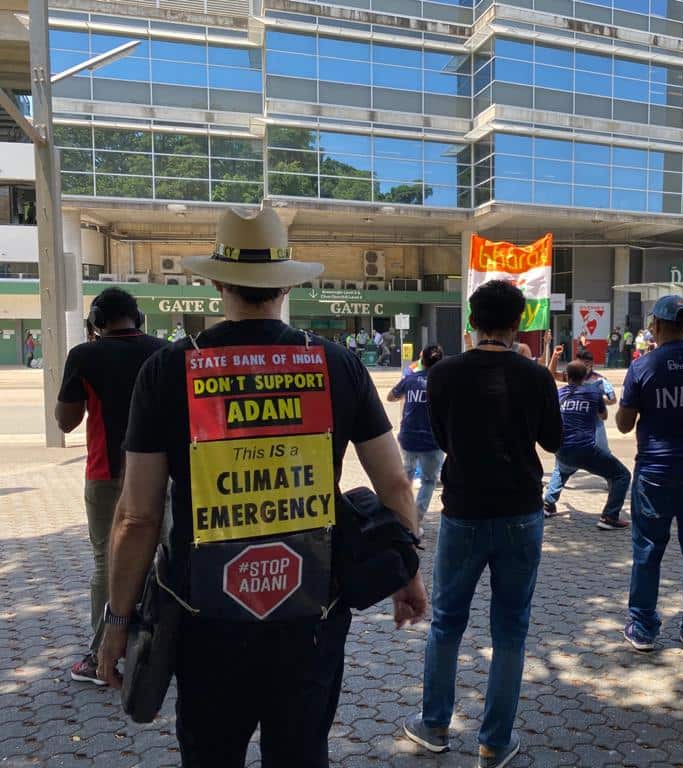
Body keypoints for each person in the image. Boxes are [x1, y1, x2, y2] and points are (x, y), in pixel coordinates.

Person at [96, 208, 427, 764]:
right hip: (310, 615)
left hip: (205, 621)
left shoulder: (169, 369)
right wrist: (407, 570)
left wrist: (117, 621)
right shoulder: (337, 363)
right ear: (286, 282)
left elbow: (137, 516)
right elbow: (394, 480)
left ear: (218, 280)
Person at [403, 280, 561, 768]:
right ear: (519, 324)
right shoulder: (536, 377)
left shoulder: (444, 374)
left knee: (447, 622)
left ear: (471, 321)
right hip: (521, 513)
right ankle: (494, 743)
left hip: (463, 514)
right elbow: (554, 442)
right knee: (510, 630)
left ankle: (434, 725)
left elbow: (442, 436)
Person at [56, 288, 167, 685]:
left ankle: (101, 656)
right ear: (138, 317)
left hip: (108, 475)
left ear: (98, 321)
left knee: (110, 561)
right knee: (165, 561)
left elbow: (65, 421)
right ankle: (166, 651)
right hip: (162, 475)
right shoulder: (163, 351)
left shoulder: (85, 356)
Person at [616, 296, 683, 655]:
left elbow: (624, 423)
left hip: (656, 472)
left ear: (657, 326)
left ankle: (644, 627)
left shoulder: (643, 366)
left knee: (648, 550)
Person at [542, 360, 631, 529]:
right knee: (622, 475)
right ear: (585, 376)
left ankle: (548, 504)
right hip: (585, 449)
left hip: (561, 449)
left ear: (567, 377)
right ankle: (609, 517)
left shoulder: (559, 394)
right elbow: (604, 416)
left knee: (562, 469)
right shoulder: (593, 392)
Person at [388, 345, 445, 536]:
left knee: (405, 479)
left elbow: (391, 397)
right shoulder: (445, 384)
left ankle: (401, 517)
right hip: (433, 441)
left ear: (422, 358)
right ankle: (416, 518)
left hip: (409, 438)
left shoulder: (410, 379)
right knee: (428, 481)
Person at [548, 347, 616, 452]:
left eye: (586, 363)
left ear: (591, 364)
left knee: (602, 452)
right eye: (580, 363)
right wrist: (555, 357)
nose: (583, 366)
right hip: (574, 420)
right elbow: (551, 375)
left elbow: (613, 399)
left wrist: (599, 400)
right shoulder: (574, 376)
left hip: (595, 422)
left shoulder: (600, 380)